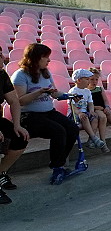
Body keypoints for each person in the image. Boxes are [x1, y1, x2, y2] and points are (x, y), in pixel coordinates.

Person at [11, 43, 80, 185]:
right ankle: (57, 167)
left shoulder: (45, 73)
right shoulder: (20, 75)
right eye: (45, 57)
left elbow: (55, 94)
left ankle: (58, 161)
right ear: (35, 58)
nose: (48, 60)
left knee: (72, 128)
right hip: (29, 116)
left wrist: (69, 96)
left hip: (49, 112)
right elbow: (20, 101)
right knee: (58, 131)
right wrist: (39, 92)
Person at [0, 47, 29, 204]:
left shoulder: (2, 75)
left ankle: (0, 173)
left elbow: (14, 101)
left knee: (20, 137)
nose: (3, 58)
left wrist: (17, 124)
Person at [67, 69, 108, 153]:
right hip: (75, 114)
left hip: (84, 112)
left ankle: (90, 140)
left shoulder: (87, 91)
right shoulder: (73, 91)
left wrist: (92, 111)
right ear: (79, 80)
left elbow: (90, 103)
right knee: (84, 118)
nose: (89, 81)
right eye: (87, 79)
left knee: (94, 118)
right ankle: (94, 137)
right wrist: (79, 113)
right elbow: (72, 106)